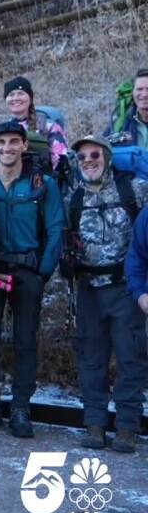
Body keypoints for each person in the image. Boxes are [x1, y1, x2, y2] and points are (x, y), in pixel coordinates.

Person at [0, 119, 64, 439]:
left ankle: (21, 406)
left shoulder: (42, 184)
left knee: (24, 341)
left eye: (13, 142)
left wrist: (43, 271)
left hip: (27, 272)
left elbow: (55, 229)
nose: (7, 148)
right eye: (1, 143)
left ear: (24, 145)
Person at [67, 135, 148, 453]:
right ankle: (95, 424)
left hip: (126, 289)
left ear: (108, 157)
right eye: (82, 157)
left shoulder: (133, 191)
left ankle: (127, 426)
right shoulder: (73, 198)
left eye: (94, 154)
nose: (88, 160)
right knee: (91, 358)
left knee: (132, 357)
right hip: (88, 289)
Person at [0, 76, 69, 171]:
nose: (15, 98)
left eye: (21, 93)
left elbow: (60, 160)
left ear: (30, 98)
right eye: (11, 95)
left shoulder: (49, 126)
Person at [104, 68, 148, 147]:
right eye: (139, 89)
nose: (144, 94)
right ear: (132, 92)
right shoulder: (120, 122)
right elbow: (103, 148)